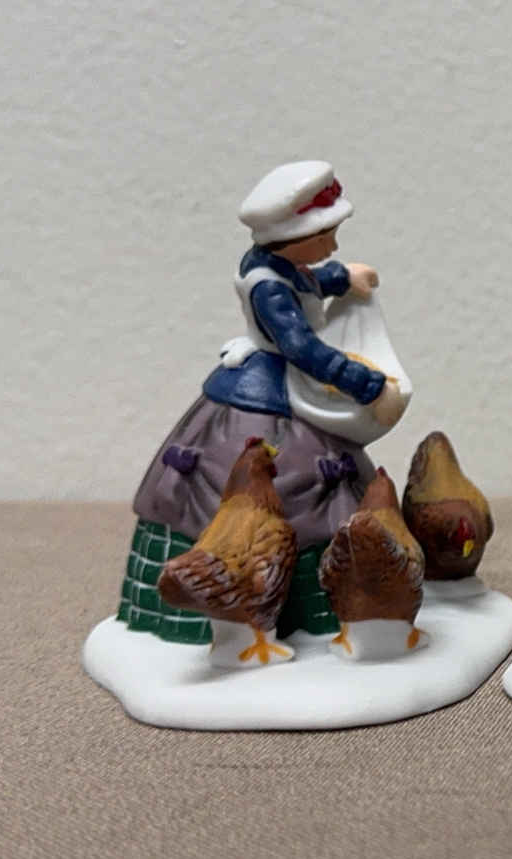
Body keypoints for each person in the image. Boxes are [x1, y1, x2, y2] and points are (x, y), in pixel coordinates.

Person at [118, 161, 406, 641]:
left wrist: (340, 277)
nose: (332, 246)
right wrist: (368, 385)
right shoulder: (269, 288)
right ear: (292, 240)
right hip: (270, 393)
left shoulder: (277, 267)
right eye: (325, 238)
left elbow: (307, 282)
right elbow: (301, 346)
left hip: (282, 381)